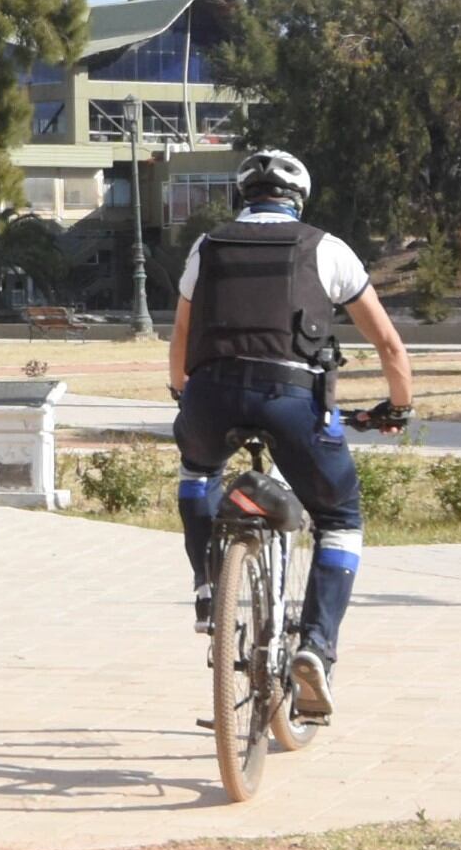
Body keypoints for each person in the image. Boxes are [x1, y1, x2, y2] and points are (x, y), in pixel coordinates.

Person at [167, 147, 414, 719]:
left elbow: (180, 333)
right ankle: (317, 647)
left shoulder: (208, 247)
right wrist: (397, 408)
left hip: (210, 396)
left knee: (198, 470)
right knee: (340, 518)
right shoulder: (327, 248)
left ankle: (209, 591)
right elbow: (389, 346)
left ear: (243, 198)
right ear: (298, 198)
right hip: (292, 400)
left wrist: (184, 394)